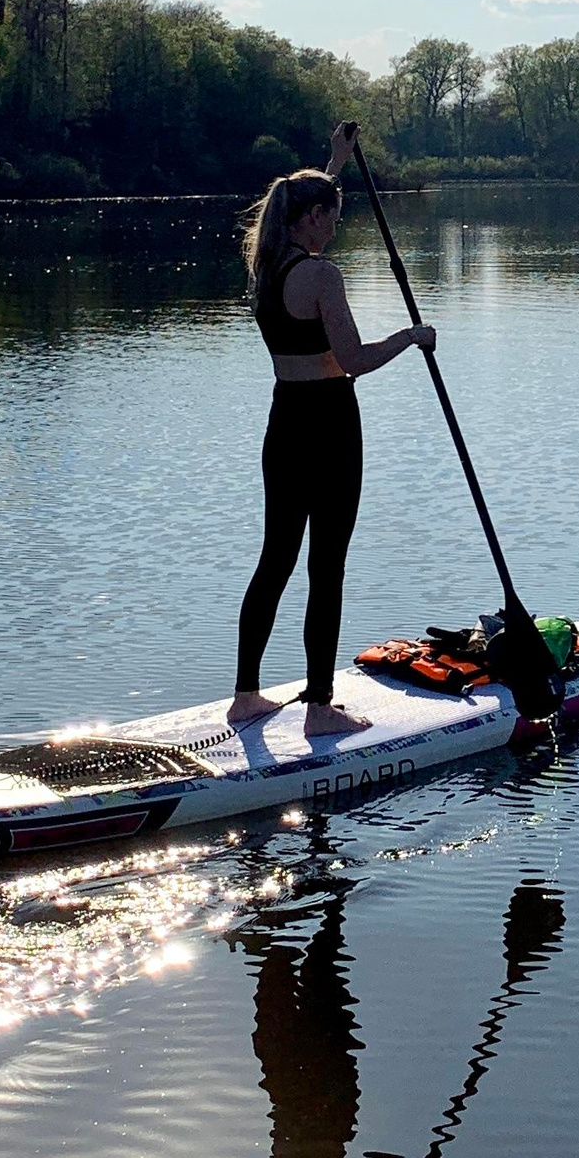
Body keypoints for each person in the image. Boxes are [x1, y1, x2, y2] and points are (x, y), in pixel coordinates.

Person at [230, 120, 434, 733]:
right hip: (330, 427)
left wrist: (335, 162)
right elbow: (354, 361)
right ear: (313, 216)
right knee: (328, 565)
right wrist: (412, 336)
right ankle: (320, 707)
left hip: (285, 422)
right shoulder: (322, 276)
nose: (338, 224)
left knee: (275, 560)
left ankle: (246, 695)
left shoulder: (267, 260)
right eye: (334, 215)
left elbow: (297, 199)